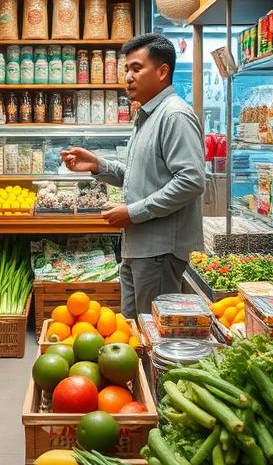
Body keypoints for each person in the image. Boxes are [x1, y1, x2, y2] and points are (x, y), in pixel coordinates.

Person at [60, 33, 205, 317]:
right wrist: (98, 165)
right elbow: (142, 175)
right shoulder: (147, 116)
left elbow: (191, 181)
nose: (127, 76)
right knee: (133, 330)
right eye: (126, 69)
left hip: (158, 251)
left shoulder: (174, 116)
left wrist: (133, 212)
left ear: (162, 71)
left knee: (154, 333)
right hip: (138, 247)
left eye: (136, 68)